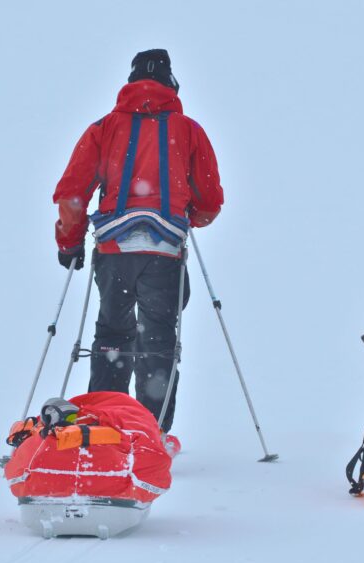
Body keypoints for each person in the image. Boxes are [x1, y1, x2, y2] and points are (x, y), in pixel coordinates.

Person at [51, 49, 224, 441]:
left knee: (113, 332)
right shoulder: (189, 130)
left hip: (114, 251)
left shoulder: (103, 127)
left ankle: (102, 427)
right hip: (165, 252)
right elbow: (211, 200)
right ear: (171, 84)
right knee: (158, 339)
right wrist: (188, 217)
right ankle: (150, 432)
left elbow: (72, 194)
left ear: (130, 82)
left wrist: (69, 242)